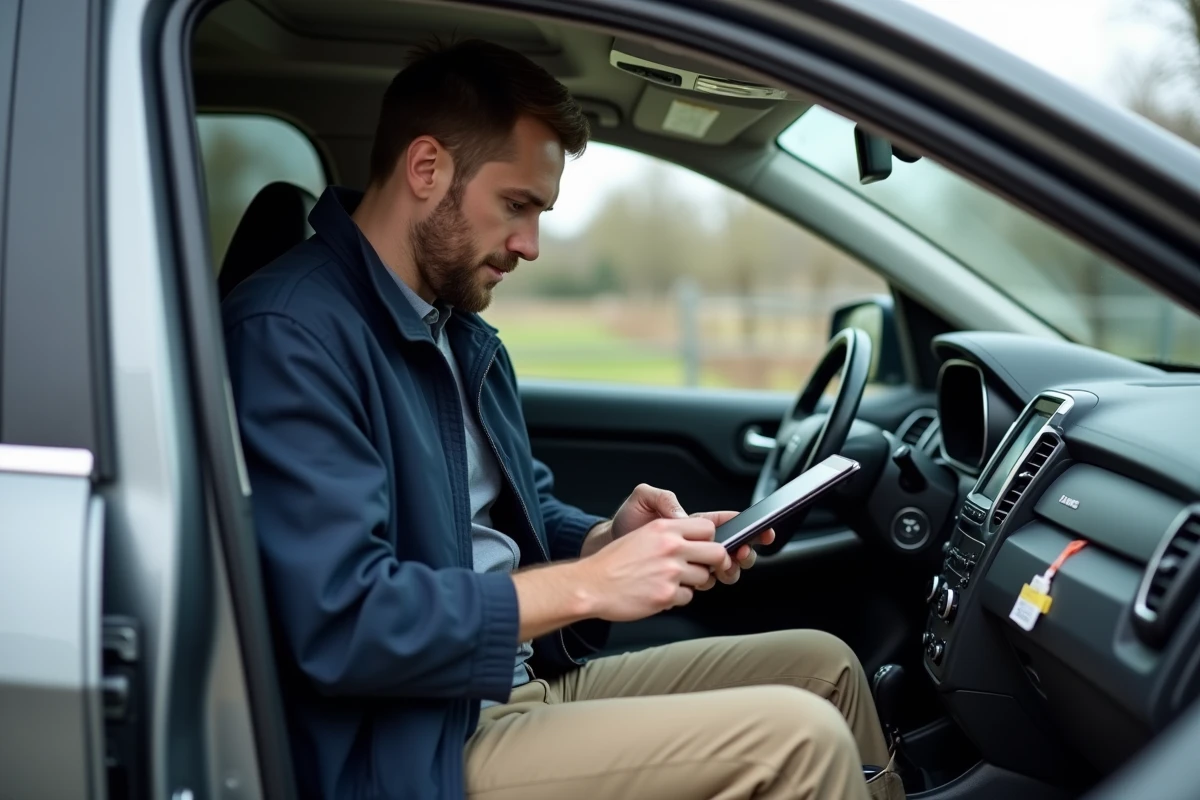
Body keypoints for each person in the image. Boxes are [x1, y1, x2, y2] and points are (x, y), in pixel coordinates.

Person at [222, 37, 900, 800]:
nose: (530, 245)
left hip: (514, 685)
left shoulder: (459, 333)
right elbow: (344, 619)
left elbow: (502, 522)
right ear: (425, 169)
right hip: (416, 744)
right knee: (796, 741)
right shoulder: (290, 334)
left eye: (540, 214)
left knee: (825, 669)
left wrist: (608, 539)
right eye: (516, 206)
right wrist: (589, 585)